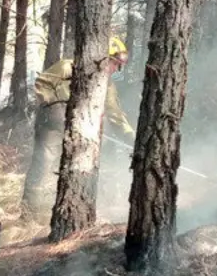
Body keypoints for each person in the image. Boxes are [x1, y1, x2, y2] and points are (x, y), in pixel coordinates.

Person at [23, 37, 134, 215]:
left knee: (78, 168)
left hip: (82, 132)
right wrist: (55, 106)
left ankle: (69, 210)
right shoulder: (70, 66)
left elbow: (115, 114)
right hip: (53, 125)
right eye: (115, 63)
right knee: (44, 163)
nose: (116, 69)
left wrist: (131, 137)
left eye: (118, 66)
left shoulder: (108, 86)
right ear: (104, 58)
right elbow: (43, 83)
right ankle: (30, 213)